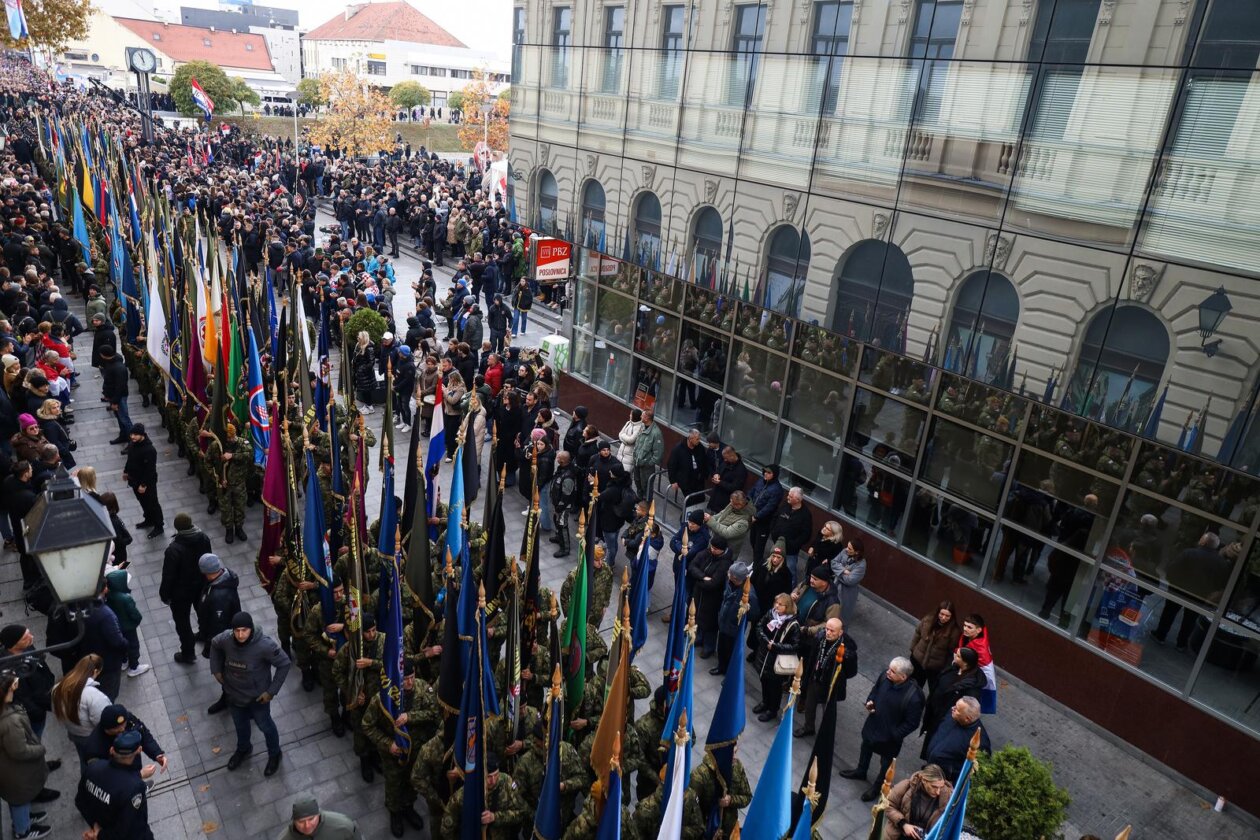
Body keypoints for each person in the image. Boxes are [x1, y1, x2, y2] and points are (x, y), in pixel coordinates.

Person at [209, 611, 291, 776]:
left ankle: (275, 753)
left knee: (266, 727)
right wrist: (216, 669)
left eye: (244, 630)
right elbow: (214, 644)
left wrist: (271, 692)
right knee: (240, 726)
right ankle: (244, 749)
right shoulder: (226, 638)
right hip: (234, 696)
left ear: (251, 629)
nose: (240, 635)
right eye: (237, 631)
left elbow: (284, 663)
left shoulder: (265, 645)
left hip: (258, 699)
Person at [840, 657, 924, 802]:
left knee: (886, 764)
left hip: (889, 739)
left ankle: (877, 787)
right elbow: (875, 690)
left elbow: (912, 723)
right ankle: (861, 771)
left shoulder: (914, 697)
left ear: (903, 677)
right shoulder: (884, 677)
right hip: (873, 725)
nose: (888, 672)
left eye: (892, 671)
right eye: (889, 668)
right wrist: (870, 701)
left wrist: (894, 735)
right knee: (865, 748)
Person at [0, 670, 53, 840]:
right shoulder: (9, 721)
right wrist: (40, 749)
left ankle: (22, 819)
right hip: (15, 774)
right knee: (20, 800)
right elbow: (20, 751)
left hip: (10, 772)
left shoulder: (5, 712)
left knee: (18, 801)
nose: (15, 688)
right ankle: (22, 830)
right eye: (12, 687)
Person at [74, 730, 154, 840]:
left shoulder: (93, 768)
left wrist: (95, 826)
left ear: (112, 750)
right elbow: (127, 829)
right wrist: (99, 835)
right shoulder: (134, 787)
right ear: (139, 750)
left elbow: (80, 801)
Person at [160, 513, 214, 665]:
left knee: (182, 622)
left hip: (181, 592)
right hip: (201, 585)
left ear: (177, 528)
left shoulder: (174, 549)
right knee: (202, 612)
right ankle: (205, 635)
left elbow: (168, 575)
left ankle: (188, 653)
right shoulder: (203, 538)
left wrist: (164, 594)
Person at [796, 617, 857, 738]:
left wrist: (840, 669)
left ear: (840, 632)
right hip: (815, 678)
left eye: (832, 631)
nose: (828, 633)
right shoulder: (820, 637)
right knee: (809, 706)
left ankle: (824, 736)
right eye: (827, 629)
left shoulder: (846, 650)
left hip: (830, 685)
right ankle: (808, 727)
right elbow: (812, 658)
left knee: (827, 712)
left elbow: (852, 672)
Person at [920, 647, 985, 757]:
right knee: (931, 737)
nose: (955, 656)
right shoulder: (953, 667)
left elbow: (967, 708)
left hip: (947, 718)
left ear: (966, 663)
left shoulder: (971, 687)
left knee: (938, 742)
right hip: (935, 713)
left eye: (958, 656)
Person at [51, 653, 110, 772]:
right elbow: (104, 722)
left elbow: (55, 709)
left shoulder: (57, 687)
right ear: (95, 671)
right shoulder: (94, 696)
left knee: (84, 759)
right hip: (92, 737)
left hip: (74, 733)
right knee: (99, 764)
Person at [1, 624, 56, 742]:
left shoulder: (28, 648)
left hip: (42, 703)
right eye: (25, 637)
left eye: (29, 633)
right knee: (33, 741)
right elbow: (20, 696)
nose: (32, 637)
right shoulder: (7, 668)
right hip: (32, 716)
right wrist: (37, 712)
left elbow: (43, 667)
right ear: (14, 644)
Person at [751, 593, 800, 722]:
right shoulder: (771, 614)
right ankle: (765, 702)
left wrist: (776, 646)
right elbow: (759, 627)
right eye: (776, 603)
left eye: (780, 604)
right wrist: (765, 640)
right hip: (764, 655)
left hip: (776, 661)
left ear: (787, 607)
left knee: (774, 687)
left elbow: (795, 646)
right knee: (764, 681)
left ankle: (772, 710)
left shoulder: (793, 625)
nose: (776, 606)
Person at [81, 704, 166, 774]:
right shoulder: (94, 750)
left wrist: (157, 753)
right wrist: (139, 775)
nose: (122, 729)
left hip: (133, 768)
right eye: (116, 728)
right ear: (106, 728)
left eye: (123, 724)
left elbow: (144, 735)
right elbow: (106, 777)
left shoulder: (128, 719)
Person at [196, 554, 242, 684]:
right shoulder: (221, 579)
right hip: (217, 628)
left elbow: (218, 627)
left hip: (221, 638)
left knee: (223, 667)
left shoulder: (219, 597)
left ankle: (227, 692)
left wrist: (210, 643)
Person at [882, 765, 952, 840]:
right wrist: (903, 824)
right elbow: (888, 806)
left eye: (941, 787)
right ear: (924, 780)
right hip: (899, 835)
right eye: (934, 787)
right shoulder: (906, 786)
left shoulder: (947, 797)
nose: (938, 792)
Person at [103, 570, 150, 678]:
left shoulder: (108, 595)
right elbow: (135, 614)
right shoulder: (126, 598)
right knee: (133, 645)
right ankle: (134, 667)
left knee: (122, 644)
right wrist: (136, 622)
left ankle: (124, 661)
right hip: (129, 627)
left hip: (117, 625)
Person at [712, 562, 756, 676]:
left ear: (737, 578)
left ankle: (729, 674)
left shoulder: (748, 593)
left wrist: (746, 609)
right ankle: (721, 667)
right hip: (723, 622)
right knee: (721, 648)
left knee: (731, 653)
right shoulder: (729, 581)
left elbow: (755, 614)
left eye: (730, 574)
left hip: (734, 628)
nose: (728, 575)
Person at [122, 423, 163, 538]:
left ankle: (159, 526)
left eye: (135, 434)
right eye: (131, 434)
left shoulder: (150, 450)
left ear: (142, 434)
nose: (132, 437)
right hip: (134, 479)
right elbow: (130, 459)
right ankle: (148, 520)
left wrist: (143, 484)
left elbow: (150, 470)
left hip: (147, 483)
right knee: (143, 502)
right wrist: (126, 471)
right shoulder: (132, 444)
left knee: (153, 503)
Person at [909, 601, 960, 688]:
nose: (943, 618)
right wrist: (913, 649)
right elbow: (917, 633)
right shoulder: (927, 620)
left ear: (952, 616)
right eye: (942, 614)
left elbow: (951, 652)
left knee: (934, 690)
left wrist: (944, 668)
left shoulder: (954, 631)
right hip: (917, 660)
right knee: (913, 687)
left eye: (947, 616)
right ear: (938, 612)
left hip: (935, 667)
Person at [769, 487, 813, 585]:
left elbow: (806, 535)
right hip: (777, 545)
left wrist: (794, 545)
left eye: (790, 496)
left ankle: (790, 592)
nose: (787, 497)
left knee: (790, 571)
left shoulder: (805, 515)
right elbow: (775, 517)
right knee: (772, 565)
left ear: (798, 500)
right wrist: (773, 531)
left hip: (791, 551)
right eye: (788, 494)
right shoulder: (785, 505)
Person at [277, 794, 363, 839]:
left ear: (318, 814)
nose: (307, 826)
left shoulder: (344, 826)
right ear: (294, 820)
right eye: (301, 821)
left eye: (311, 819)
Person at [959, 614, 998, 713]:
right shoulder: (971, 638)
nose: (965, 629)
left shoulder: (979, 648)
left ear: (979, 630)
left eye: (969, 627)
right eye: (964, 625)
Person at [747, 464, 784, 562]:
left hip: (764, 521)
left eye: (769, 473)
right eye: (765, 471)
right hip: (753, 516)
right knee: (753, 540)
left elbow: (770, 506)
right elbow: (751, 492)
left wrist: (757, 516)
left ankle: (757, 564)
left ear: (774, 474)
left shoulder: (777, 489)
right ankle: (756, 562)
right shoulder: (760, 481)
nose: (765, 474)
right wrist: (748, 504)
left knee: (759, 545)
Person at [705, 490, 754, 562]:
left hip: (725, 552)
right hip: (716, 542)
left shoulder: (744, 522)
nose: (730, 503)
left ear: (739, 505)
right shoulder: (732, 504)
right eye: (730, 501)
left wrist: (710, 521)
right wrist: (710, 518)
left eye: (732, 503)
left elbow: (726, 533)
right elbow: (722, 514)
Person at [791, 564, 841, 634]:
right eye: (811, 577)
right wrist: (792, 595)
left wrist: (808, 630)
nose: (811, 580)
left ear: (824, 582)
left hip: (807, 636)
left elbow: (829, 624)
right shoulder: (806, 583)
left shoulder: (833, 602)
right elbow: (797, 590)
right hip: (792, 623)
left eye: (815, 579)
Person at [98, 345, 131, 444]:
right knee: (120, 418)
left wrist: (115, 402)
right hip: (113, 396)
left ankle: (132, 442)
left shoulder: (118, 368)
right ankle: (123, 435)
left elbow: (120, 387)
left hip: (118, 397)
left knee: (125, 419)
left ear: (103, 355)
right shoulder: (112, 363)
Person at [631, 408, 664, 499]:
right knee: (638, 484)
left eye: (642, 415)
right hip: (638, 463)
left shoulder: (656, 433)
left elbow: (658, 454)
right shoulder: (642, 426)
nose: (640, 416)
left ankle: (646, 509)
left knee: (647, 488)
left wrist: (649, 463)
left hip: (646, 467)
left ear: (647, 418)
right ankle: (639, 505)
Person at [832, 537, 867, 620]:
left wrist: (837, 572)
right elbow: (833, 563)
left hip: (847, 593)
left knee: (841, 617)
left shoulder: (861, 565)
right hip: (835, 586)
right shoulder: (844, 551)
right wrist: (843, 570)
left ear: (857, 552)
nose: (846, 549)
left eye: (850, 548)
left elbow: (850, 580)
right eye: (847, 547)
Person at [666, 429, 707, 498]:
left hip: (698, 479)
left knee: (701, 498)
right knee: (690, 500)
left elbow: (704, 462)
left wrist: (704, 474)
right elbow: (671, 465)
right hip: (685, 479)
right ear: (690, 439)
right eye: (697, 439)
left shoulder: (700, 448)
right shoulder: (678, 449)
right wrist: (673, 481)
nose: (699, 441)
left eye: (699, 439)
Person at [707, 446, 746, 513]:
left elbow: (735, 487)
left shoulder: (741, 470)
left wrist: (720, 482)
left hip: (725, 501)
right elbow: (719, 469)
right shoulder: (727, 461)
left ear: (732, 456)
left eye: (726, 458)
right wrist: (716, 474)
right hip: (716, 496)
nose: (724, 460)